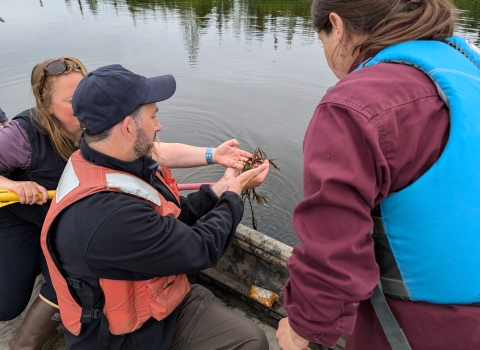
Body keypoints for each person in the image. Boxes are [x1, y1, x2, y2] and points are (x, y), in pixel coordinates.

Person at [0, 56, 252, 350]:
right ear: (127, 128)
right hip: (120, 333)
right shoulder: (107, 211)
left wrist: (217, 187)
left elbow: (166, 196)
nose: (159, 125)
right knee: (10, 303)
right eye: (153, 116)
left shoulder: (100, 154)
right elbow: (201, 248)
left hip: (134, 293)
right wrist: (234, 194)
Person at [276, 0, 480, 349]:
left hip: (420, 331)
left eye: (322, 39)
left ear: (337, 25)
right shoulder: (468, 65)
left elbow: (333, 254)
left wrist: (300, 329)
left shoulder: (354, 105)